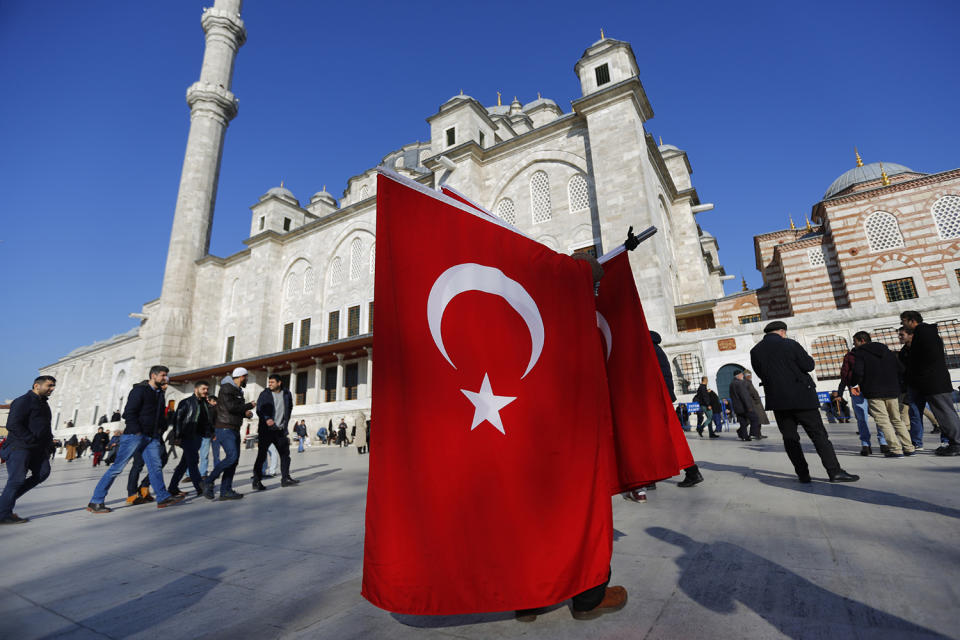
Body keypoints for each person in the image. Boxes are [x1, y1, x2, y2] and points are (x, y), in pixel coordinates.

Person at [750, 321, 858, 483]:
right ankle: (834, 471)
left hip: (778, 400)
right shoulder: (790, 344)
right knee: (818, 435)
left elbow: (760, 373)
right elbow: (808, 365)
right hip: (802, 397)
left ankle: (803, 474)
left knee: (790, 438)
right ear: (782, 332)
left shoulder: (755, 351)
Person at [86, 366, 186, 513]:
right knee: (117, 468)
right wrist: (138, 431)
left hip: (152, 437)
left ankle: (162, 497)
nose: (165, 378)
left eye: (166, 376)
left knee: (155, 467)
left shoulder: (159, 393)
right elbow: (129, 413)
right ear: (153, 375)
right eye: (163, 375)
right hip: (135, 435)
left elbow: (158, 415)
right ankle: (96, 501)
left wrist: (159, 430)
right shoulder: (139, 390)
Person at [899, 311, 960, 456]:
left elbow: (928, 358)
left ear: (912, 321)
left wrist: (920, 373)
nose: (903, 325)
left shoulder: (925, 334)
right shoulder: (924, 333)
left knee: (945, 412)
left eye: (904, 322)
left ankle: (957, 443)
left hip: (933, 381)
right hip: (930, 381)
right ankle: (954, 442)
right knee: (943, 413)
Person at [650, 331, 704, 488]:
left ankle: (691, 471)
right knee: (663, 436)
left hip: (655, 398)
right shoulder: (655, 348)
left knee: (665, 436)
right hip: (661, 397)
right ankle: (653, 478)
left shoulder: (648, 348)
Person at [0, 376, 57, 524]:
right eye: (49, 385)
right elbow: (13, 424)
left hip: (37, 448)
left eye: (53, 386)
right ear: (37, 385)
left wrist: (49, 443)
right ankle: (3, 513)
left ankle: (3, 503)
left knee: (43, 473)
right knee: (17, 480)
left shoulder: (44, 404)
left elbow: (45, 427)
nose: (52, 389)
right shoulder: (23, 401)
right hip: (20, 446)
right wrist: (30, 439)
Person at [849, 331, 914, 458]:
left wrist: (855, 384)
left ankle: (896, 449)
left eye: (855, 341)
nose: (854, 344)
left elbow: (857, 372)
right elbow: (901, 369)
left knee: (883, 420)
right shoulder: (887, 351)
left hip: (873, 392)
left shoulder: (861, 354)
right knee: (896, 419)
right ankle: (909, 447)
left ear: (862, 341)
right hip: (892, 390)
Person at [203, 368, 255, 500]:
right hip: (225, 428)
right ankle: (208, 481)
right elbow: (230, 407)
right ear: (241, 377)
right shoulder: (227, 388)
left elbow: (235, 409)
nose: (247, 380)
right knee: (232, 457)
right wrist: (249, 405)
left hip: (234, 427)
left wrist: (245, 413)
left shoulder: (238, 391)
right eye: (246, 377)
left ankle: (225, 490)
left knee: (234, 460)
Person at [839, 345, 889, 456]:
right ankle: (866, 444)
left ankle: (883, 442)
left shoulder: (875, 353)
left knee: (880, 416)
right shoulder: (850, 356)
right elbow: (844, 373)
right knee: (862, 419)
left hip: (874, 388)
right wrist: (851, 383)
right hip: (857, 390)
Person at [167, 381, 213, 498]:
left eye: (207, 389)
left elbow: (206, 420)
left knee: (185, 463)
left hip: (198, 437)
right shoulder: (186, 402)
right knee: (193, 461)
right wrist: (177, 436)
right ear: (196, 389)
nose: (206, 391)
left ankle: (172, 487)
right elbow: (177, 420)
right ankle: (201, 487)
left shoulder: (204, 404)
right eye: (203, 389)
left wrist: (210, 432)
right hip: (186, 436)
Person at [252, 374, 298, 491]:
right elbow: (259, 409)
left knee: (285, 455)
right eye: (269, 382)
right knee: (262, 456)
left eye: (272, 382)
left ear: (279, 383)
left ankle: (285, 478)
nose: (270, 384)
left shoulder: (287, 394)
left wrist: (284, 421)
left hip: (280, 430)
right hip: (266, 430)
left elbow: (290, 407)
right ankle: (257, 481)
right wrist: (267, 418)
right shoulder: (265, 394)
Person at [729, 370, 761, 441]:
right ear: (739, 375)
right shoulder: (740, 383)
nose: (743, 376)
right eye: (742, 375)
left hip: (737, 408)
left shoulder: (731, 384)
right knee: (755, 418)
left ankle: (744, 436)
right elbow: (744, 396)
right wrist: (749, 407)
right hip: (744, 407)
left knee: (743, 422)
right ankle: (752, 434)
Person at [197, 396, 220, 480]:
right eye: (214, 401)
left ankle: (213, 471)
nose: (215, 403)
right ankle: (202, 472)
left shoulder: (216, 409)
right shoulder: (204, 408)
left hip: (211, 433)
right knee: (204, 454)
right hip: (206, 434)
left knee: (214, 454)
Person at [743, 371, 769, 437]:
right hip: (755, 404)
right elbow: (753, 392)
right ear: (748, 376)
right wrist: (757, 400)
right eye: (750, 375)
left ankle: (758, 434)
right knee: (757, 419)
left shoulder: (744, 382)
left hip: (752, 403)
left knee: (757, 420)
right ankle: (755, 434)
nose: (751, 376)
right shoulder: (748, 382)